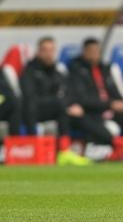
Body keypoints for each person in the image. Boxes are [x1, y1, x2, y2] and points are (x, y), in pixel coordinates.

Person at [20, 37, 91, 165]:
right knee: (60, 104)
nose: (48, 54)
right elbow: (29, 97)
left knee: (79, 112)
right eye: (45, 50)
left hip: (57, 109)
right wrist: (60, 103)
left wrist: (72, 105)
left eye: (51, 50)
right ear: (38, 52)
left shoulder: (58, 71)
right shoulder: (30, 71)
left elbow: (69, 92)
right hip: (33, 111)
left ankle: (67, 151)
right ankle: (53, 150)